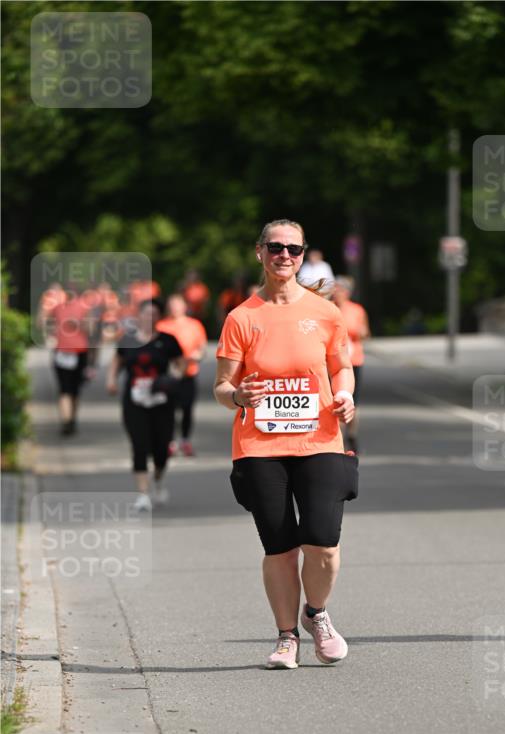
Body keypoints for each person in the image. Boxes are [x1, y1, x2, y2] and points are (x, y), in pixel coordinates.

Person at [214, 219, 358, 669]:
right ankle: (286, 638)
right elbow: (221, 386)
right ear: (259, 252)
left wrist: (346, 394)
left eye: (293, 249)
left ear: (303, 255)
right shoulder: (242, 317)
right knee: (279, 547)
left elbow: (342, 367)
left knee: (324, 543)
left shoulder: (325, 312)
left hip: (320, 438)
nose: (284, 255)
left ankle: (315, 613)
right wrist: (238, 395)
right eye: (275, 247)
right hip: (259, 445)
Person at [107, 298, 186, 512]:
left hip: (161, 400)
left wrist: (174, 378)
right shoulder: (128, 339)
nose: (149, 317)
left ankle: (158, 481)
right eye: (146, 313)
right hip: (134, 401)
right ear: (139, 315)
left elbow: (180, 363)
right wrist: (112, 380)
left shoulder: (168, 340)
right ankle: (142, 494)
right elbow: (117, 360)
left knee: (162, 447)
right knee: (139, 445)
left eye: (154, 314)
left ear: (159, 317)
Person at [157, 293, 208, 456]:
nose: (175, 308)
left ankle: (185, 440)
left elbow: (202, 347)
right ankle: (170, 442)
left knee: (187, 408)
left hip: (188, 373)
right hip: (169, 375)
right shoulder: (161, 326)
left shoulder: (195, 325)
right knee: (168, 410)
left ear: (184, 307)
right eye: (172, 305)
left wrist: (197, 356)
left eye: (178, 305)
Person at [49, 290, 97, 436]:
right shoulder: (57, 306)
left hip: (76, 351)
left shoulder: (82, 307)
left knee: (70, 389)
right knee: (67, 389)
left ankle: (69, 420)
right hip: (66, 351)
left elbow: (90, 329)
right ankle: (68, 420)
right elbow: (91, 329)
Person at [332, 275, 371, 452]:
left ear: (347, 293)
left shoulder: (357, 310)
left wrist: (361, 333)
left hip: (353, 360)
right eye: (335, 289)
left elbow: (366, 333)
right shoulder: (328, 308)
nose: (337, 292)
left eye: (341, 289)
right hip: (332, 361)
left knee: (352, 400)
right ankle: (336, 438)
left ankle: (352, 434)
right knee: (334, 400)